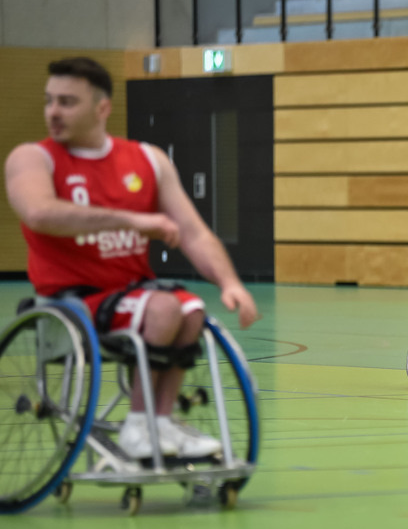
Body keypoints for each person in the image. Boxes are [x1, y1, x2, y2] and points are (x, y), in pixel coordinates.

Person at [4, 57, 259, 459]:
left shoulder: (148, 160)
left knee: (191, 309)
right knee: (161, 309)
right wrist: (132, 219)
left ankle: (158, 421)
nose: (53, 111)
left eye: (67, 102)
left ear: (101, 108)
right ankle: (139, 426)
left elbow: (192, 231)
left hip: (129, 293)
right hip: (71, 301)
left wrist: (230, 283)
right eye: (49, 101)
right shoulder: (34, 158)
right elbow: (39, 212)